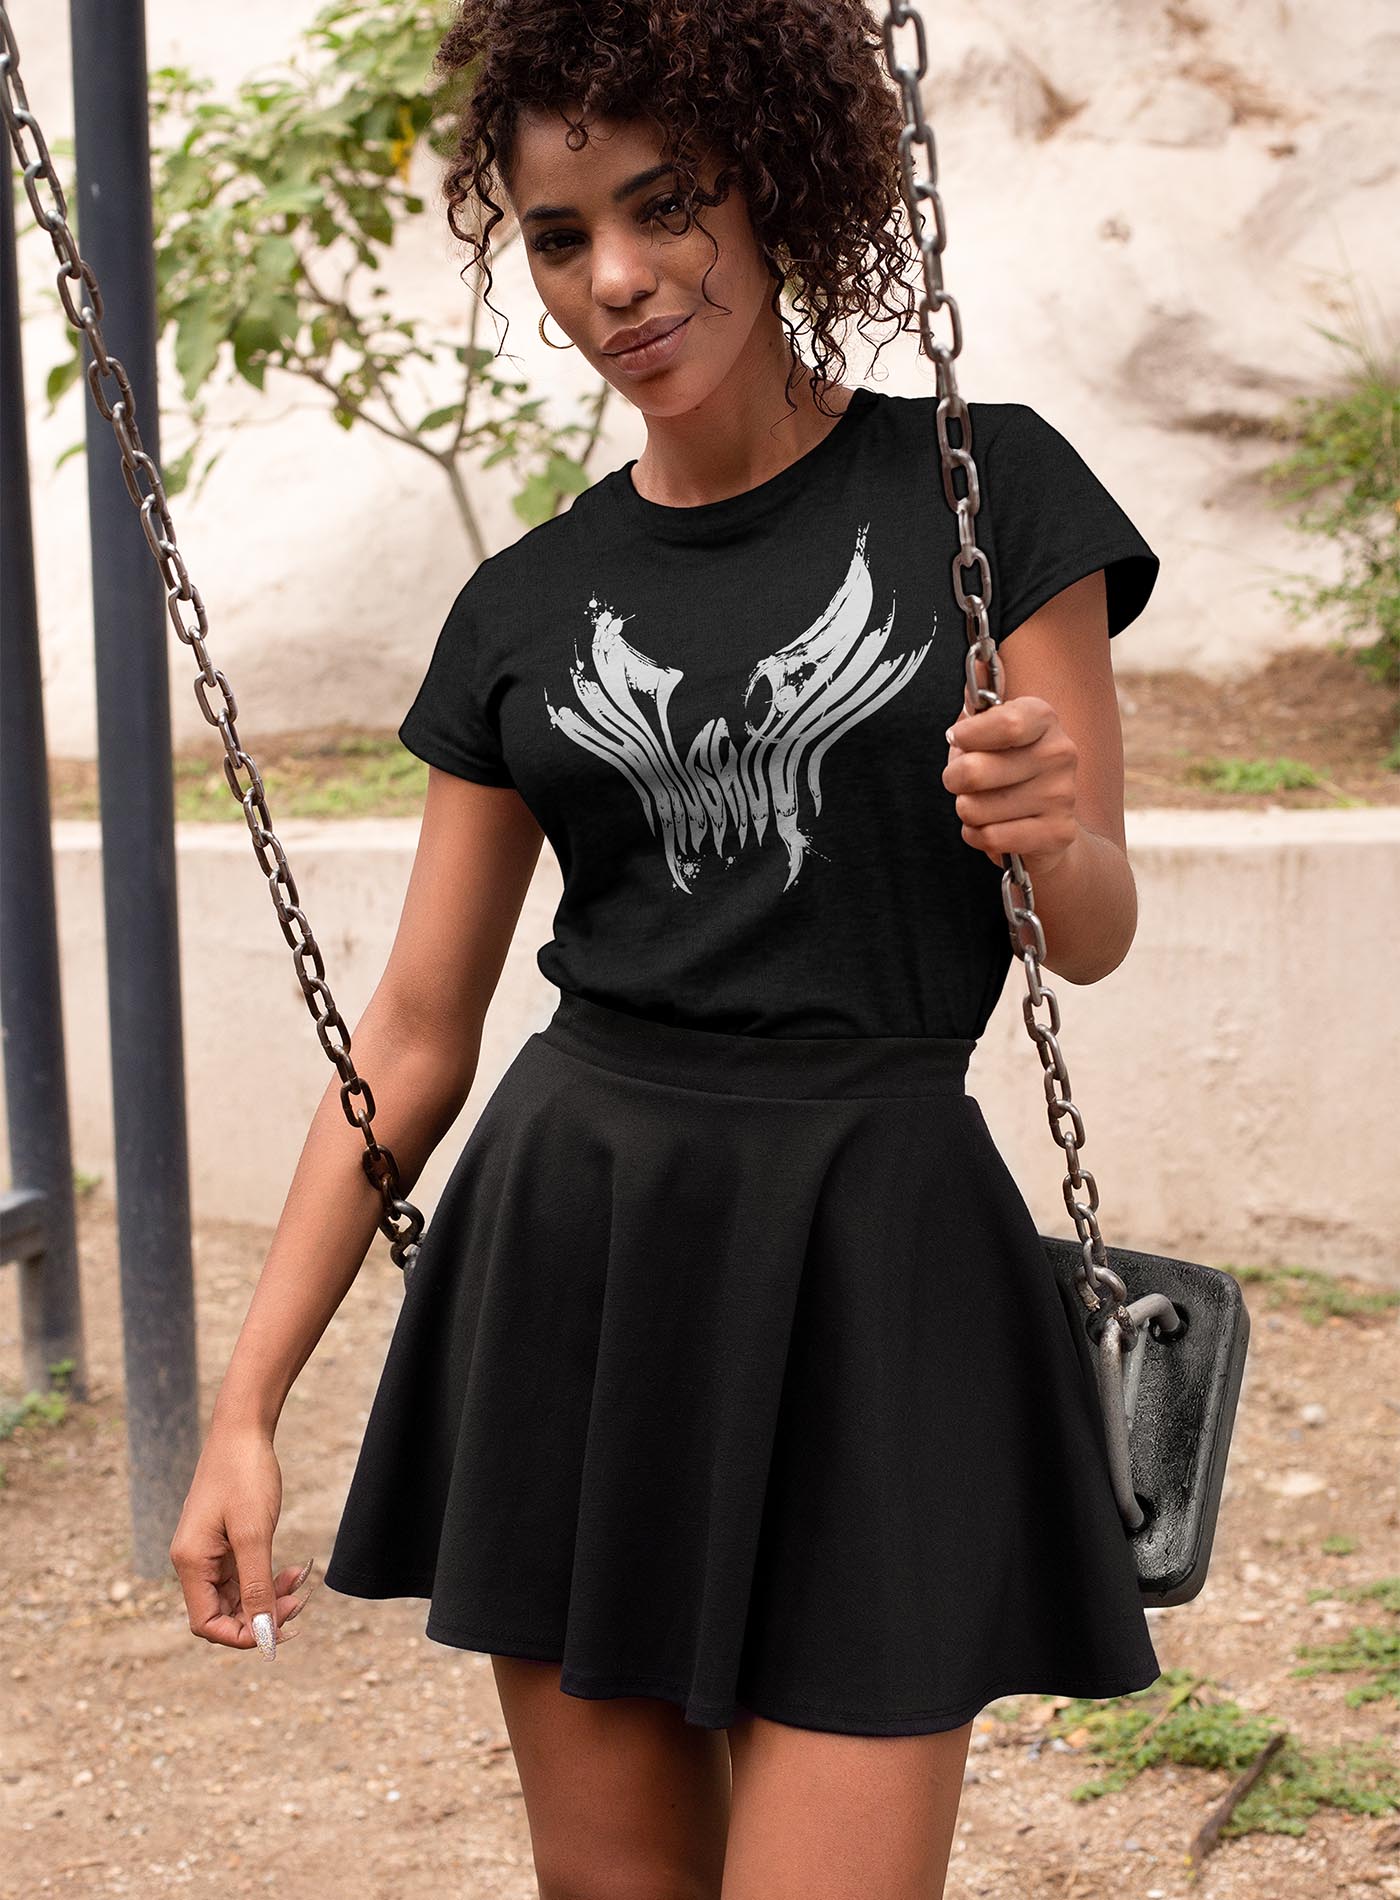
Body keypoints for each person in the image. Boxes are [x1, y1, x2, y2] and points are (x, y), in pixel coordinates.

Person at [170, 2, 1165, 1894]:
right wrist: (244, 1409)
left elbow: (1087, 932)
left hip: (879, 1250)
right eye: (560, 235)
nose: (617, 278)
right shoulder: (525, 603)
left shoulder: (983, 490)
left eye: (664, 205)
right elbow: (416, 1021)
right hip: (578, 1255)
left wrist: (1046, 832)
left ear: (772, 189)